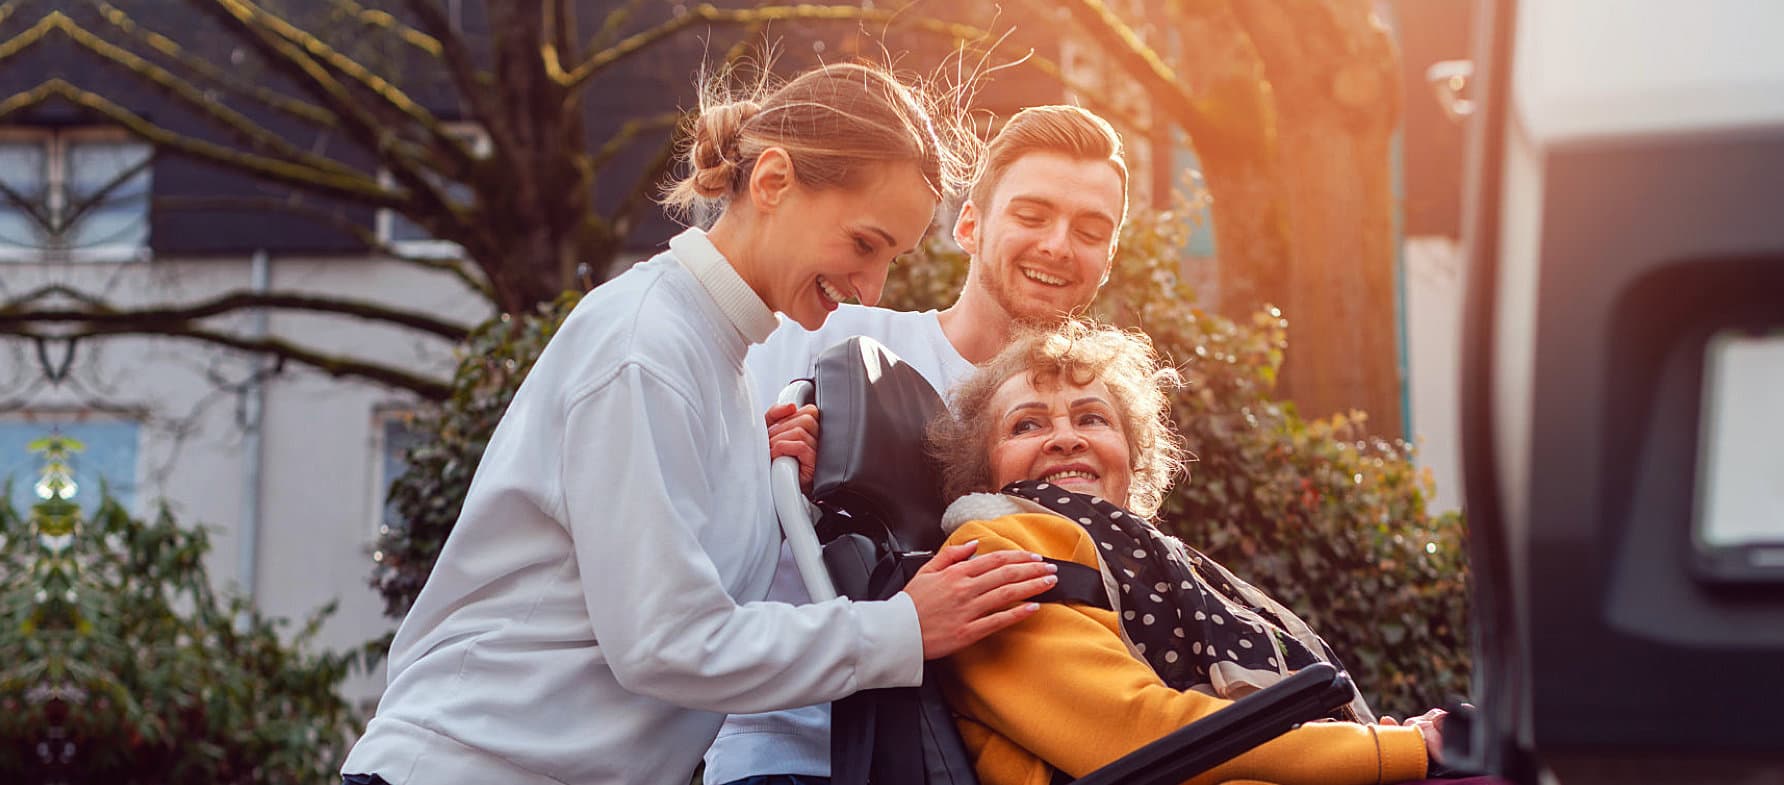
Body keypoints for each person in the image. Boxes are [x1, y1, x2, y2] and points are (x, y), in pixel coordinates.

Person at [339, 63, 1062, 785]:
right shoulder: (646, 347)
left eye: (891, 259)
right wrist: (903, 626)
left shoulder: (730, 368)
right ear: (772, 182)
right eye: (865, 244)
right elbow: (667, 640)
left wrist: (757, 476)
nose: (871, 288)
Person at [705, 105, 1132, 785]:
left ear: (1106, 261)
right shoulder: (824, 334)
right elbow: (685, 514)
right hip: (799, 750)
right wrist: (757, 465)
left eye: (1089, 230)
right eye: (1032, 214)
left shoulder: (1086, 429)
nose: (1058, 244)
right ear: (969, 225)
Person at [925, 320, 1454, 785]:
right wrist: (1392, 751)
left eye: (1091, 419)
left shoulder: (1154, 560)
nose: (1066, 438)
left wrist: (1383, 741)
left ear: (1130, 459)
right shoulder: (994, 549)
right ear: (983, 469)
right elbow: (1138, 731)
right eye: (1027, 424)